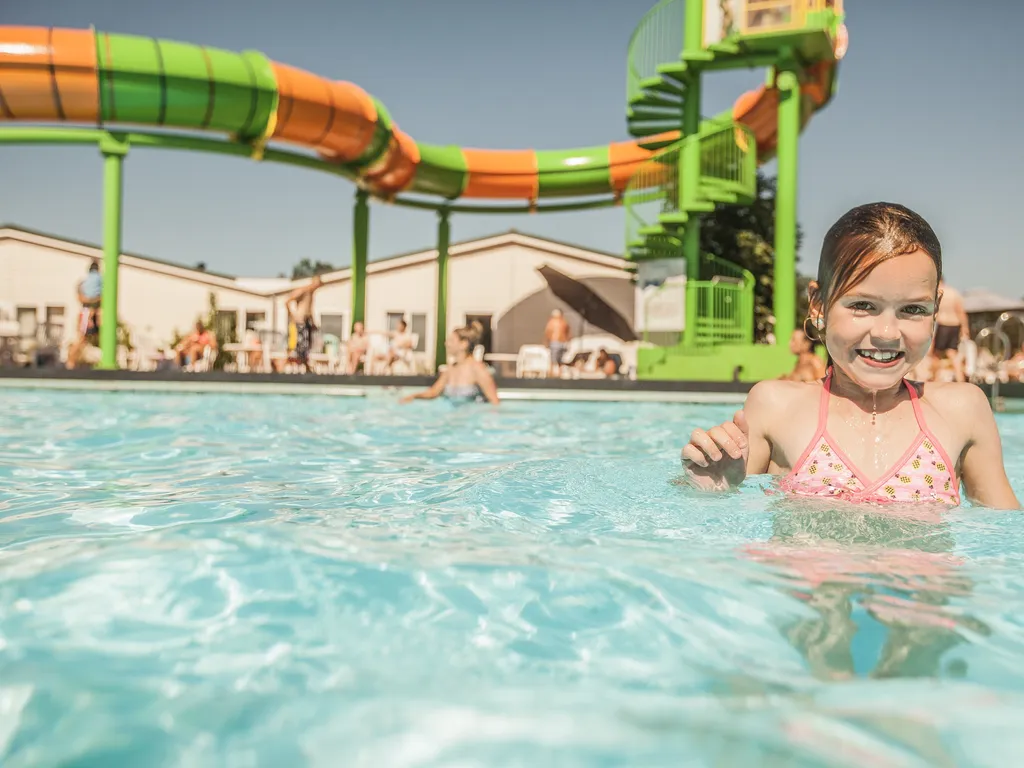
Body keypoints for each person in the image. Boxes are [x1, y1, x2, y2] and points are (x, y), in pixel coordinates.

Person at [681, 202, 1019, 509]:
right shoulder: (777, 406)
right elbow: (713, 533)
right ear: (819, 305)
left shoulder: (962, 410)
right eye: (862, 305)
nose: (887, 333)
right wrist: (708, 490)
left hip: (924, 581)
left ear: (935, 311)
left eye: (913, 309)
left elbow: (1006, 539)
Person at [400, 321, 499, 405]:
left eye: (451, 340)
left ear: (463, 344)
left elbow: (494, 402)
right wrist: (414, 396)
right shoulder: (451, 369)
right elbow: (434, 392)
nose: (446, 343)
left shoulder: (478, 369)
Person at [931, 278, 970, 382]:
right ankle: (960, 380)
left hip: (944, 324)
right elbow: (961, 312)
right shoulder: (954, 292)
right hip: (955, 325)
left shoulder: (937, 293)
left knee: (936, 355)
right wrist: (965, 327)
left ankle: (935, 380)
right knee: (952, 353)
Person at [66, 260, 103, 369]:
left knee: (90, 337)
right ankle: (71, 362)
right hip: (89, 311)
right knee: (82, 338)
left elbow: (81, 295)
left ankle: (72, 362)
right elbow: (83, 297)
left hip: (91, 311)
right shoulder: (97, 282)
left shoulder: (85, 282)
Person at [285, 274, 322, 372]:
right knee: (298, 345)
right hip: (299, 321)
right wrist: (291, 315)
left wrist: (313, 322)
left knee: (306, 346)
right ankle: (287, 365)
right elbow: (288, 301)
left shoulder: (311, 293)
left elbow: (310, 310)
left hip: (306, 321)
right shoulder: (303, 290)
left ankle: (306, 366)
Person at [544, 308, 571, 376]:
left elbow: (547, 332)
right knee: (560, 360)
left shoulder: (551, 322)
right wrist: (568, 342)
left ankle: (551, 373)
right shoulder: (564, 322)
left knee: (553, 359)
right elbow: (568, 333)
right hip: (562, 342)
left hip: (555, 342)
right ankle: (559, 373)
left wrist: (546, 342)